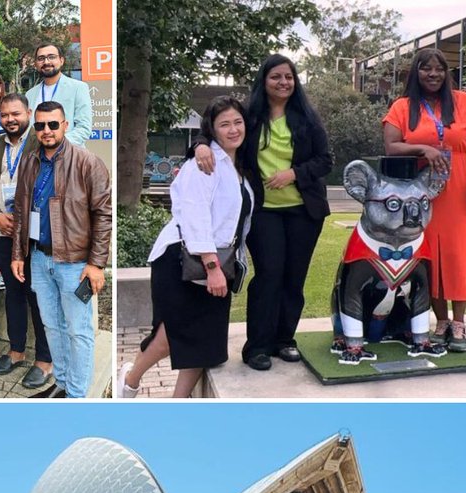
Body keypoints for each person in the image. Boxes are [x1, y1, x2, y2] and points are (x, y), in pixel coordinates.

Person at [195, 55, 331, 370]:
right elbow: (214, 126)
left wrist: (293, 173)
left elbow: (325, 159)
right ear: (264, 80)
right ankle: (257, 345)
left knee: (293, 279)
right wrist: (201, 145)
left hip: (304, 212)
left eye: (289, 77)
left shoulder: (307, 118)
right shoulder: (249, 115)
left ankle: (285, 340)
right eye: (276, 77)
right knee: (269, 275)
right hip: (263, 212)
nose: (283, 82)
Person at [118, 97, 252, 399]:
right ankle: (130, 379)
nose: (233, 130)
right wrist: (212, 266)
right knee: (171, 335)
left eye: (238, 122)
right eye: (224, 124)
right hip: (182, 258)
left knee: (203, 342)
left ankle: (177, 402)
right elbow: (195, 216)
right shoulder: (203, 164)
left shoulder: (239, 166)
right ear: (212, 130)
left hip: (218, 263)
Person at [383, 48, 466, 353]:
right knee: (428, 257)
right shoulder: (403, 107)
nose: (433, 74)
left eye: (439, 69)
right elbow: (391, 146)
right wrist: (423, 149)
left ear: (447, 73)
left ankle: (458, 323)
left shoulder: (464, 103)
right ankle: (439, 321)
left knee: (458, 256)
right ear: (415, 73)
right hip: (419, 195)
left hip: (459, 190)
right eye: (426, 69)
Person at [11, 100, 111, 398]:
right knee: (51, 326)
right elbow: (20, 211)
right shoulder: (30, 161)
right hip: (40, 259)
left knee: (78, 331)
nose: (46, 130)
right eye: (40, 125)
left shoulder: (87, 162)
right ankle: (63, 385)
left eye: (53, 124)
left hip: (75, 263)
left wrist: (96, 264)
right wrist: (18, 253)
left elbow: (103, 214)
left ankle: (77, 395)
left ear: (65, 125)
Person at [0, 92, 53, 389]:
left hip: (32, 235)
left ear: (28, 113)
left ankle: (45, 361)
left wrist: (20, 222)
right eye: (4, 115)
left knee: (38, 296)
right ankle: (17, 351)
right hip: (1, 232)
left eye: (15, 114)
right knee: (13, 293)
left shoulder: (41, 141)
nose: (10, 119)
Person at [25, 43, 93, 146]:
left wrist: (57, 146)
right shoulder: (30, 94)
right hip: (38, 156)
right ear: (36, 64)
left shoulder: (78, 88)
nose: (46, 62)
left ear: (61, 60)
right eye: (41, 58)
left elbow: (83, 128)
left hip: (68, 155)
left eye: (51, 57)